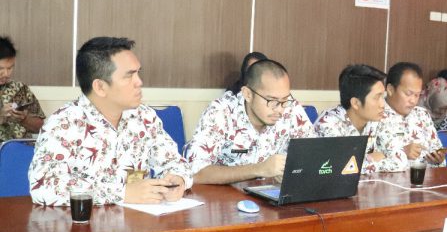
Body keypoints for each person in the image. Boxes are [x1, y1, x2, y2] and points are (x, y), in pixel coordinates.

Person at [28, 37, 191, 206]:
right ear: (100, 87)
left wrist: (177, 179)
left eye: (138, 73)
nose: (139, 82)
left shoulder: (144, 117)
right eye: (129, 76)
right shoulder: (64, 124)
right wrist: (122, 193)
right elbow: (44, 186)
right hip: (85, 221)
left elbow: (174, 161)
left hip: (139, 219)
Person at [187, 59, 315, 184]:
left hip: (270, 193)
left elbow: (314, 156)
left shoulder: (292, 109)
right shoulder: (221, 112)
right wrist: (258, 169)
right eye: (272, 101)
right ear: (247, 94)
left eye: (285, 100)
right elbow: (196, 172)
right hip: (224, 194)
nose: (280, 109)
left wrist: (292, 172)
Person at [314, 64, 407, 173]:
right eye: (377, 97)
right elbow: (339, 168)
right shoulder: (327, 124)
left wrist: (365, 161)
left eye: (382, 96)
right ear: (355, 103)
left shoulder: (382, 117)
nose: (383, 105)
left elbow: (401, 161)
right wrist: (372, 158)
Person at [375, 62, 445, 166]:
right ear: (390, 90)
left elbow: (436, 148)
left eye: (417, 95)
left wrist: (438, 159)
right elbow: (367, 161)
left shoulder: (422, 115)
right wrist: (402, 153)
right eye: (408, 94)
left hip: (426, 175)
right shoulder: (375, 115)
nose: (413, 101)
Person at [0, 36, 45, 142]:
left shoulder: (20, 88)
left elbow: (40, 127)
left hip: (22, 148)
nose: (6, 74)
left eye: (10, 68)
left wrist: (24, 119)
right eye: (1, 68)